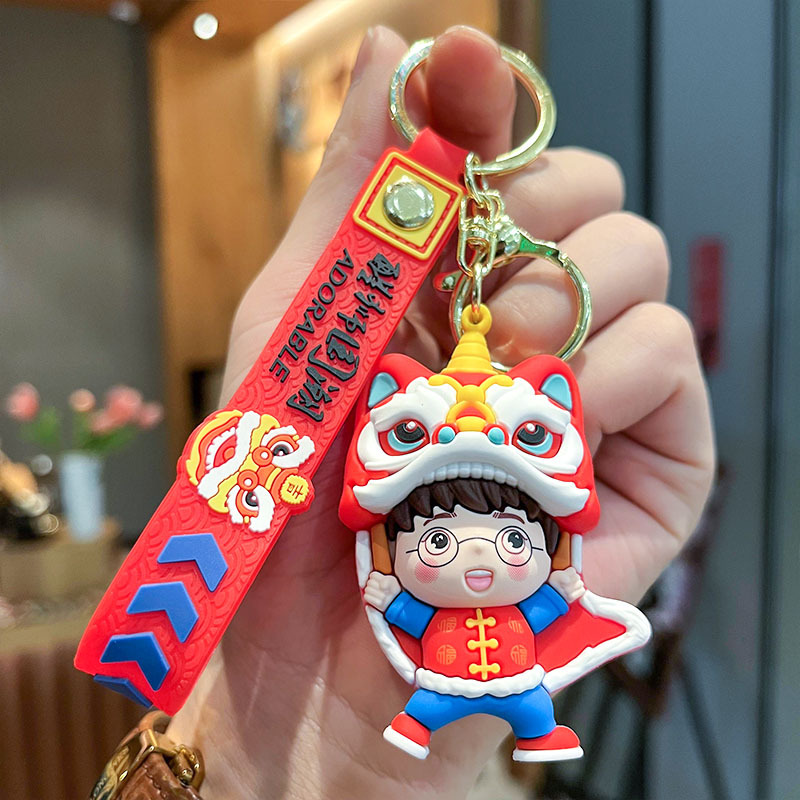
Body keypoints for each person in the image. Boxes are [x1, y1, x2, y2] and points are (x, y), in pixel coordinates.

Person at [167, 25, 715, 799]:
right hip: (416, 668)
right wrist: (249, 751)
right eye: (437, 538)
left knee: (521, 702)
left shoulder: (537, 587)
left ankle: (517, 722)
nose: (480, 555)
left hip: (494, 668)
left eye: (514, 537)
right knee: (435, 701)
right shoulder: (396, 581)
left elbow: (561, 597)